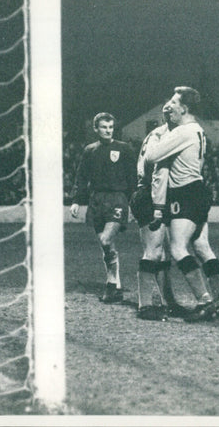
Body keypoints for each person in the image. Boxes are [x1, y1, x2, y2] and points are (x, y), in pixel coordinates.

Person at [143, 86, 219, 322]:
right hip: (199, 190)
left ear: (185, 108)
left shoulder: (184, 132)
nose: (169, 105)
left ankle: (205, 301)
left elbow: (151, 157)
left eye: (174, 101)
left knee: (178, 248)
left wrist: (155, 136)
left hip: (185, 193)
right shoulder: (198, 130)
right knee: (202, 247)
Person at [69, 112, 137, 303]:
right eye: (104, 127)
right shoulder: (90, 150)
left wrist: (133, 203)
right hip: (97, 200)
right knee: (105, 245)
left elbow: (133, 178)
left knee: (107, 239)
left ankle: (110, 284)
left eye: (110, 127)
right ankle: (116, 285)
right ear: (96, 129)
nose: (108, 130)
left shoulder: (124, 149)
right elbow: (81, 177)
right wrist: (76, 200)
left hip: (118, 198)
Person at [130, 116, 183, 321]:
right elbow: (157, 172)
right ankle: (145, 305)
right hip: (150, 196)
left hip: (152, 194)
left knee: (163, 254)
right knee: (153, 251)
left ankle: (168, 302)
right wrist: (159, 207)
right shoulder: (163, 137)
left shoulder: (158, 134)